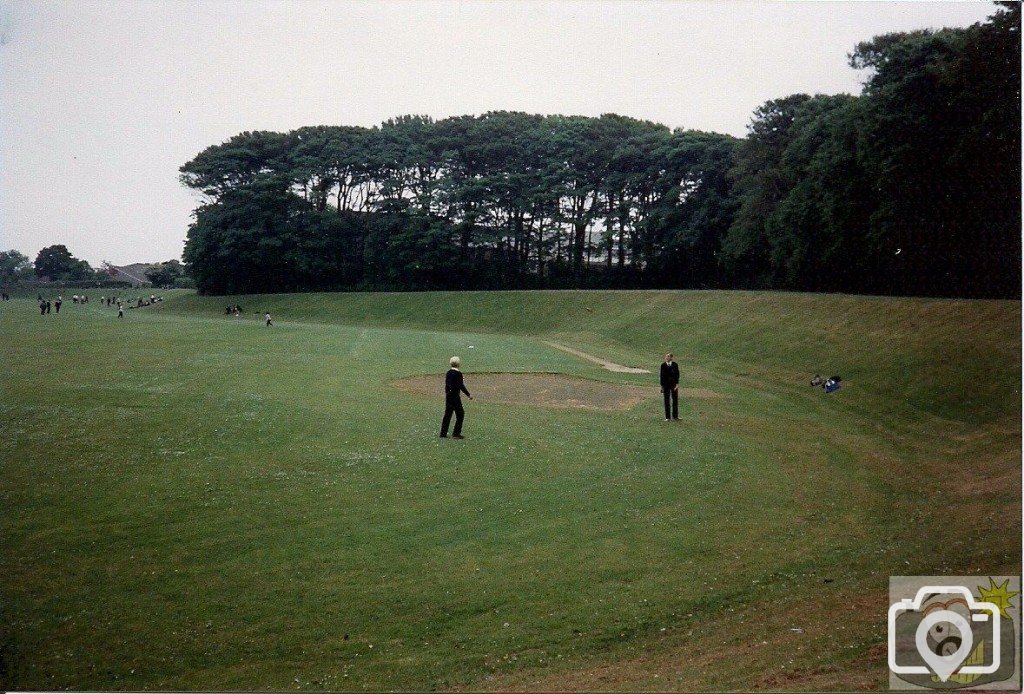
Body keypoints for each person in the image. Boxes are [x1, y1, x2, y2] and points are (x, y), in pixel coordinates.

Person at [440, 356, 472, 439]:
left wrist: (447, 393)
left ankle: (443, 433)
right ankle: (456, 433)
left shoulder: (448, 373)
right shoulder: (458, 374)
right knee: (460, 414)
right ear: (458, 364)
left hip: (449, 396)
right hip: (455, 396)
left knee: (447, 414)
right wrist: (468, 394)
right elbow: (461, 385)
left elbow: (447, 385)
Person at [660, 352, 680, 421]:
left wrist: (677, 384)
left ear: (671, 358)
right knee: (666, 400)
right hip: (666, 385)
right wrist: (662, 386)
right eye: (666, 356)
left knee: (675, 400)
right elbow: (661, 376)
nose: (667, 358)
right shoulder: (663, 365)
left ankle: (675, 416)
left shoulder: (675, 365)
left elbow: (677, 375)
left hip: (674, 385)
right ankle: (667, 417)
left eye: (668, 356)